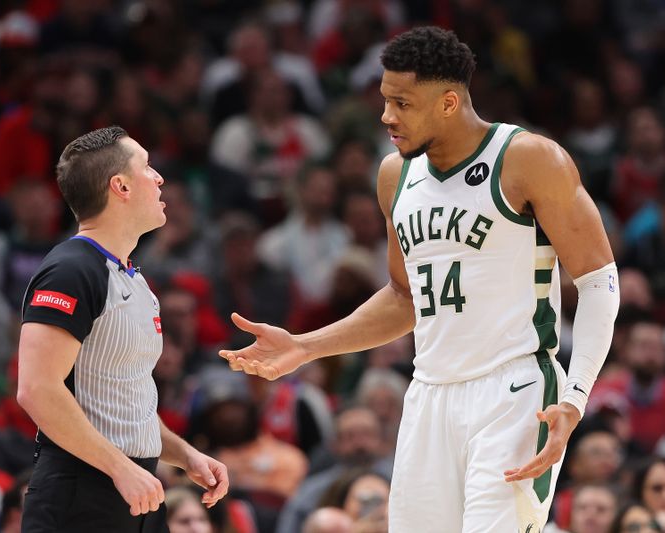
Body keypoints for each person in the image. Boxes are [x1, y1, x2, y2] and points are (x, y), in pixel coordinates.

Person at [220, 26, 620, 532]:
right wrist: (306, 346)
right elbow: (404, 297)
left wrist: (575, 396)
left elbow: (599, 281)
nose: (386, 116)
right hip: (428, 393)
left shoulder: (527, 159)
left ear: (449, 102)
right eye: (385, 100)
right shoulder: (395, 175)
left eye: (402, 103)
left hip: (513, 391)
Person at [16, 126, 229, 532]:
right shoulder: (71, 270)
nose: (159, 178)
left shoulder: (132, 277)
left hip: (134, 488)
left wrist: (186, 456)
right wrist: (120, 467)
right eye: (148, 167)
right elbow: (36, 389)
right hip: (82, 493)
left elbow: (125, 400)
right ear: (121, 186)